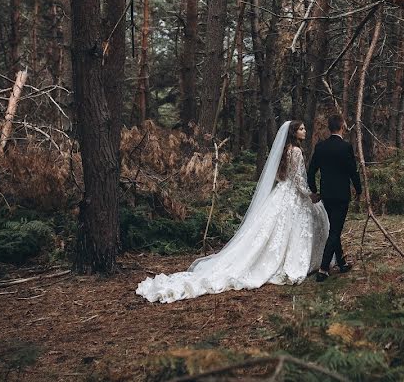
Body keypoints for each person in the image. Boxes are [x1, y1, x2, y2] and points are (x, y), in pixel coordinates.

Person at [135, 121, 328, 303]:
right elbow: (298, 179)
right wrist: (310, 194)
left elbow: (282, 176)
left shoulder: (285, 150)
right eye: (301, 129)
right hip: (292, 194)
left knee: (276, 230)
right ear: (294, 133)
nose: (304, 131)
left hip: (281, 193)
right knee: (291, 229)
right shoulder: (296, 152)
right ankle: (290, 262)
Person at [306, 113, 362, 282]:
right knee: (335, 231)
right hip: (341, 195)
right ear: (342, 127)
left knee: (334, 229)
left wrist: (315, 191)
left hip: (326, 195)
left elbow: (311, 172)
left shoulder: (320, 147)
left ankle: (342, 263)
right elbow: (353, 170)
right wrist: (358, 189)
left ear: (329, 127)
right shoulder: (345, 147)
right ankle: (323, 269)